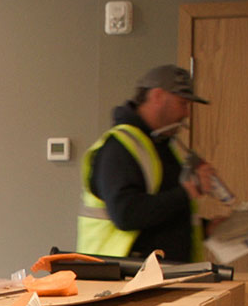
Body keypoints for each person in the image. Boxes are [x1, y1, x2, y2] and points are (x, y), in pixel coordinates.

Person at [77, 63, 228, 262]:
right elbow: (126, 214)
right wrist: (187, 192)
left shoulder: (160, 145)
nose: (186, 113)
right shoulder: (119, 147)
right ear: (157, 96)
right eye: (183, 103)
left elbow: (160, 214)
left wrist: (205, 228)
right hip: (123, 281)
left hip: (154, 277)